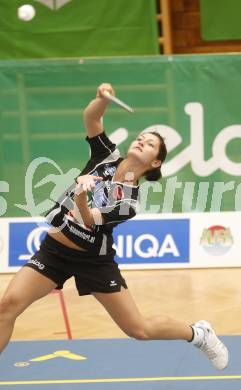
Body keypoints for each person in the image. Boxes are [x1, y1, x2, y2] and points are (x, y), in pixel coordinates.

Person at [0, 83, 228, 370]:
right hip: (54, 250)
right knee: (7, 306)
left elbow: (87, 219)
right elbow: (91, 119)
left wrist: (81, 195)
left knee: (138, 330)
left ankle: (198, 333)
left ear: (155, 161)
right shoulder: (106, 156)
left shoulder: (130, 201)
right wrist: (101, 100)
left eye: (150, 144)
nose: (141, 141)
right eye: (141, 137)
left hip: (93, 260)